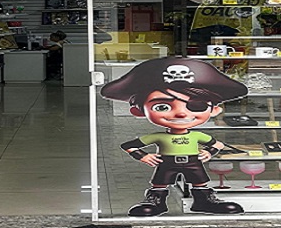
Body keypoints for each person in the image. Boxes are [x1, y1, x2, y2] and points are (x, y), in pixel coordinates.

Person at [100, 57, 248, 216]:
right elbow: (129, 146)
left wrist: (209, 152)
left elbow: (218, 144)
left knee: (199, 183)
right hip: (166, 162)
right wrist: (143, 156)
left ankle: (204, 201)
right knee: (159, 184)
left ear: (214, 110)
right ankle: (156, 201)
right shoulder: (159, 136)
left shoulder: (197, 135)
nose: (181, 113)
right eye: (162, 106)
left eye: (196, 105)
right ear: (139, 111)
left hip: (193, 162)